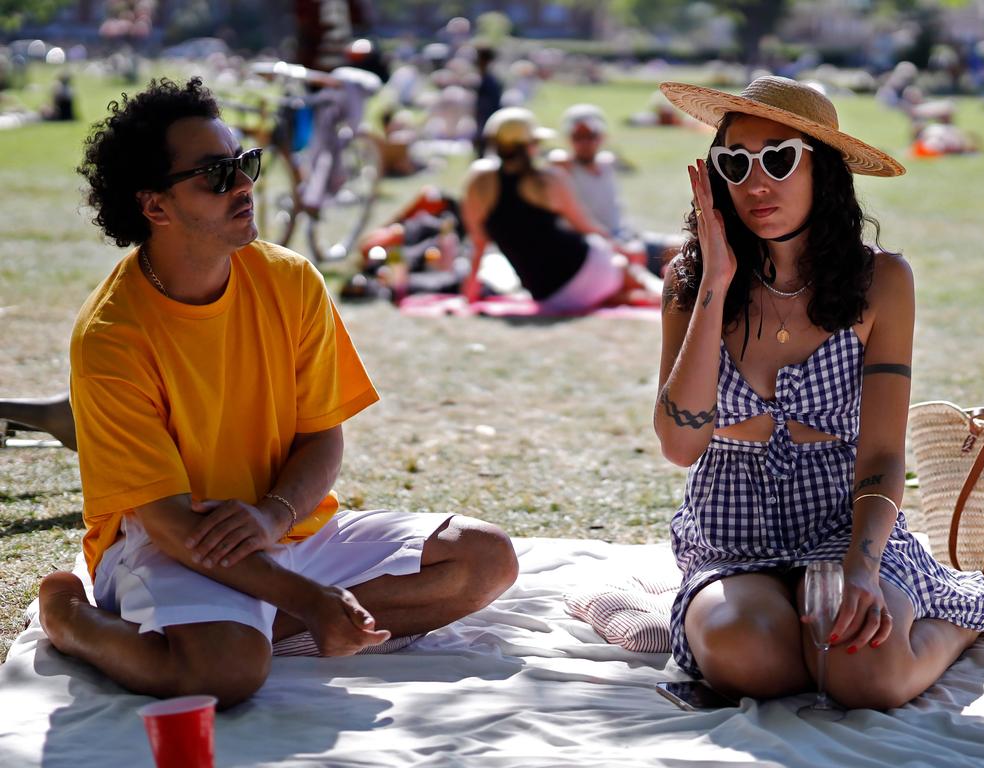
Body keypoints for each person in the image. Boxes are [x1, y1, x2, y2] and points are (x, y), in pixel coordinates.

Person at [36, 77, 519, 710]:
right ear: (155, 207)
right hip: (172, 541)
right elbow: (170, 523)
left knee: (483, 559)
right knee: (225, 677)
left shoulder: (290, 279)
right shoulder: (110, 336)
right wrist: (309, 598)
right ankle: (71, 616)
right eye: (216, 175)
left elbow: (322, 436)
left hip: (280, 523)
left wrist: (272, 515)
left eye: (244, 164)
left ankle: (262, 630)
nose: (244, 186)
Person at [654, 76, 984, 709]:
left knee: (865, 676)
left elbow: (884, 457)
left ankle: (960, 619)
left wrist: (863, 566)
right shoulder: (690, 280)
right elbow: (680, 444)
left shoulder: (881, 280)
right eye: (735, 163)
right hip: (734, 528)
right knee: (744, 657)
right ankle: (778, 640)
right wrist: (714, 283)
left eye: (779, 158)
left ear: (824, 170)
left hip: (846, 521)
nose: (756, 182)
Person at [461, 106, 659, 313]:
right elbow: (585, 226)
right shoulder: (547, 180)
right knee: (619, 265)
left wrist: (469, 296)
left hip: (548, 297)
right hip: (592, 271)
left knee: (609, 277)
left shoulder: (478, 181)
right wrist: (621, 249)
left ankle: (630, 294)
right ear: (531, 146)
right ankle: (658, 293)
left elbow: (478, 246)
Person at [549, 103, 686, 276]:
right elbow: (554, 159)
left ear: (601, 136)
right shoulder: (564, 167)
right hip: (601, 247)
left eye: (591, 136)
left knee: (688, 247)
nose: (585, 142)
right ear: (569, 139)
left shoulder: (606, 163)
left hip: (627, 237)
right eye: (578, 137)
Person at [472, 45, 504, 158]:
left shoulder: (489, 81)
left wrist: (480, 131)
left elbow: (488, 107)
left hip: (487, 124)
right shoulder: (486, 79)